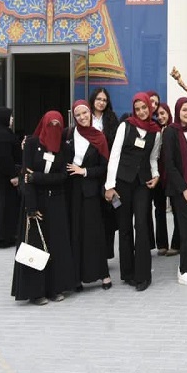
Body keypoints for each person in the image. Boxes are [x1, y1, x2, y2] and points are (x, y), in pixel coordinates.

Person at [12, 112, 75, 305]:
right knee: (35, 246)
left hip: (56, 202)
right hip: (35, 202)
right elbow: (25, 177)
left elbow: (62, 177)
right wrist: (31, 207)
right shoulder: (31, 144)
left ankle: (54, 288)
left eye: (58, 125)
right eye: (51, 124)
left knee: (55, 246)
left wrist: (37, 177)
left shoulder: (64, 149)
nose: (54, 128)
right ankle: (35, 291)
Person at [104, 93, 162, 291]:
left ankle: (143, 275)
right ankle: (128, 273)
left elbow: (153, 158)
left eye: (144, 108)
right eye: (138, 109)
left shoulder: (156, 131)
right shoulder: (125, 126)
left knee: (142, 225)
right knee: (125, 226)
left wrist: (156, 175)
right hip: (122, 182)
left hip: (143, 184)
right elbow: (115, 155)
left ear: (150, 107)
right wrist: (109, 185)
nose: (142, 112)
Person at [64, 100, 112, 291]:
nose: (82, 117)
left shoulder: (99, 137)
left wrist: (83, 171)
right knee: (75, 232)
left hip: (91, 192)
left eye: (85, 113)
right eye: (78, 115)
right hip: (72, 191)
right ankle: (77, 277)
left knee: (94, 233)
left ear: (90, 114)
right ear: (74, 118)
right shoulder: (68, 134)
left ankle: (103, 274)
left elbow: (103, 167)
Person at [162, 97, 187, 286]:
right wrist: (184, 188)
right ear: (177, 111)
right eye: (184, 110)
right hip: (181, 189)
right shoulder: (171, 132)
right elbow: (169, 164)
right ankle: (184, 270)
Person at [89, 87, 118, 258]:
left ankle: (107, 253)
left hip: (107, 169)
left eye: (104, 100)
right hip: (90, 169)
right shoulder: (86, 116)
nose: (101, 102)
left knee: (110, 212)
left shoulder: (111, 118)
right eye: (99, 99)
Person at [0, 107, 20, 248]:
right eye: (10, 116)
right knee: (3, 206)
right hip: (3, 179)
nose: (12, 119)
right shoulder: (2, 135)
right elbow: (4, 157)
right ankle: (1, 237)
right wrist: (13, 174)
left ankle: (0, 236)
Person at [153, 102, 179, 257]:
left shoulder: (175, 130)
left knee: (177, 209)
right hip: (158, 176)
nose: (161, 117)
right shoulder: (156, 130)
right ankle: (162, 244)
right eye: (158, 114)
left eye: (163, 113)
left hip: (172, 176)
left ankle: (176, 244)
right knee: (159, 210)